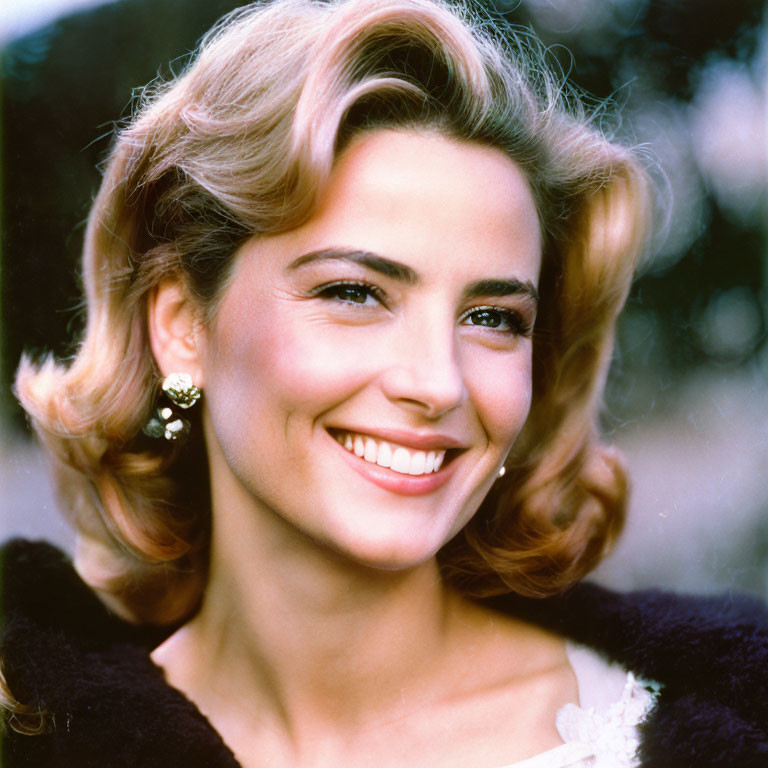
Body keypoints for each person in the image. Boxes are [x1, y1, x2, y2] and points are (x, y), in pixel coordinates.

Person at [2, 0, 766, 766]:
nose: (438, 383)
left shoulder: (715, 723)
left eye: (494, 318)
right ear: (180, 328)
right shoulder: (40, 734)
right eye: (354, 293)